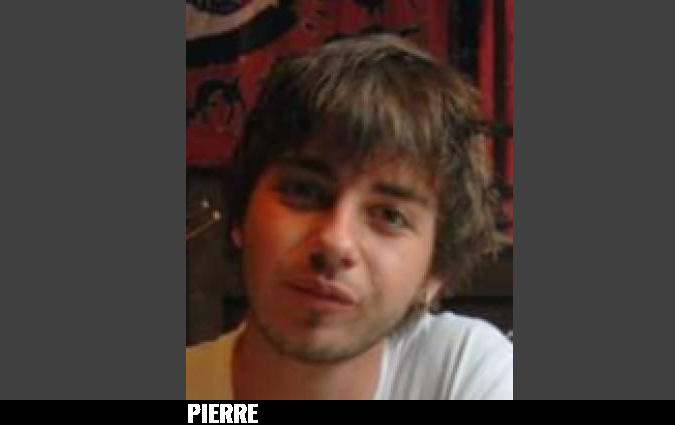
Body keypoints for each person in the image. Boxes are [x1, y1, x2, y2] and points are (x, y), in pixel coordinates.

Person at [186, 33, 513, 400]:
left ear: (434, 273)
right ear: (240, 216)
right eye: (304, 191)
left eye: (390, 216)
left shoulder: (465, 370)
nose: (335, 241)